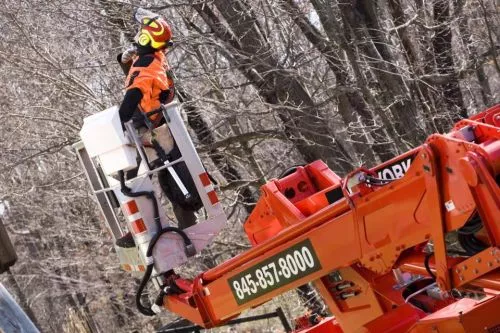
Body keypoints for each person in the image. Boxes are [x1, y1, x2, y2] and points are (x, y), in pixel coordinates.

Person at [116, 8, 202, 248]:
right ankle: (185, 226)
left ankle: (141, 229)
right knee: (162, 176)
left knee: (136, 179)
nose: (138, 36)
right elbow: (140, 78)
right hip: (151, 125)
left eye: (141, 34)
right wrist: (124, 59)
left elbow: (135, 93)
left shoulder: (147, 64)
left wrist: (119, 123)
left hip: (150, 129)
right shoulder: (153, 59)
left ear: (146, 39)